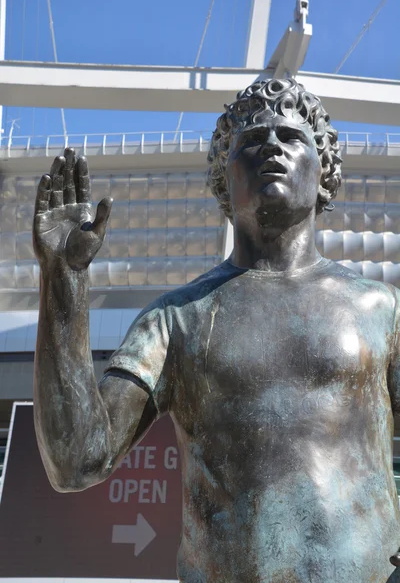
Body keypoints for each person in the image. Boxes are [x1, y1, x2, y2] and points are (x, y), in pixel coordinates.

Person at [33, 78, 400, 582]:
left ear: (323, 174)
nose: (271, 146)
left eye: (292, 138)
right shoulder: (176, 317)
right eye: (250, 142)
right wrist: (64, 283)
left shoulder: (380, 308)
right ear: (225, 182)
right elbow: (76, 460)